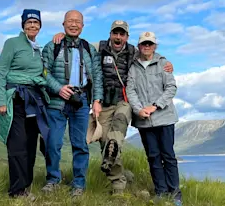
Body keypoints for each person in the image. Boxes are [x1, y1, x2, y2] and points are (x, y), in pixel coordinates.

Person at [51, 20, 172, 195]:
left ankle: (117, 176)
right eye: (115, 33)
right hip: (103, 104)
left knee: (118, 127)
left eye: (122, 34)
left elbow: (150, 53)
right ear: (110, 34)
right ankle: (119, 182)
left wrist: (166, 62)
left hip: (124, 101)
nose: (118, 37)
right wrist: (63, 36)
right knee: (105, 144)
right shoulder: (97, 47)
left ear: (126, 37)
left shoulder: (134, 51)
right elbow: (77, 44)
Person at [41, 10, 104, 197]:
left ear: (83, 26)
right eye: (70, 21)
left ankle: (79, 184)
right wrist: (58, 88)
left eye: (78, 21)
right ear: (63, 24)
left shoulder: (89, 49)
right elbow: (43, 72)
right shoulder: (52, 46)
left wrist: (97, 100)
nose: (74, 24)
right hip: (56, 101)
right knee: (53, 143)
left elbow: (98, 76)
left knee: (80, 145)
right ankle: (52, 180)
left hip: (81, 101)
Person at [0, 9, 51, 198]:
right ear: (23, 25)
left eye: (36, 23)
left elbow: (41, 75)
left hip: (33, 100)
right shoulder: (12, 44)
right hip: (14, 99)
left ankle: (26, 185)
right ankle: (17, 190)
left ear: (40, 26)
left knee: (30, 144)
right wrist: (1, 100)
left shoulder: (38, 49)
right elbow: (1, 72)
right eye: (29, 22)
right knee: (17, 145)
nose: (33, 25)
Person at [125, 31, 182, 206]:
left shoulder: (163, 64)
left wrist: (155, 106)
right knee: (153, 157)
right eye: (144, 44)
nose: (147, 47)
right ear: (139, 46)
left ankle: (175, 194)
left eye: (150, 44)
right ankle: (161, 192)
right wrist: (138, 109)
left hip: (164, 118)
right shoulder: (133, 67)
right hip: (144, 121)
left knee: (168, 156)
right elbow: (130, 90)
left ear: (155, 46)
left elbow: (171, 88)